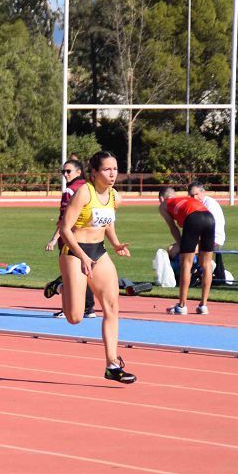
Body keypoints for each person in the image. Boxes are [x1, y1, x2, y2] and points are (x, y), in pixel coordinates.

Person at [58, 150, 135, 384]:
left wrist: (116, 243)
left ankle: (112, 365)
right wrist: (81, 257)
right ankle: (62, 287)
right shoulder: (84, 193)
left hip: (98, 252)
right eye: (107, 169)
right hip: (74, 252)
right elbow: (64, 229)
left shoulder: (112, 195)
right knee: (75, 317)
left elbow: (107, 221)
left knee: (112, 307)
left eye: (115, 169)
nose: (112, 174)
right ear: (94, 172)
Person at [45, 159, 96, 319]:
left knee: (69, 275)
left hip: (71, 240)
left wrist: (54, 239)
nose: (65, 175)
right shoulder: (90, 189)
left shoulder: (70, 191)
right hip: (90, 239)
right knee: (86, 273)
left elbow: (64, 220)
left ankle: (68, 308)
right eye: (63, 172)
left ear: (79, 172)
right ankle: (88, 308)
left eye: (68, 171)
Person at [158, 186, 216, 315]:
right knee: (207, 264)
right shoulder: (185, 199)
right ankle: (203, 306)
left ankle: (182, 306)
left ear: (162, 198)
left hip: (193, 219)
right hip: (210, 218)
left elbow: (173, 227)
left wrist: (181, 245)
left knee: (186, 263)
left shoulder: (164, 205)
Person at [188, 181, 227, 284]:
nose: (195, 197)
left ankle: (202, 271)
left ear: (203, 192)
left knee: (185, 250)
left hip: (214, 239)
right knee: (174, 249)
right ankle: (193, 273)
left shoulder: (210, 205)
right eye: (192, 195)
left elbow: (207, 228)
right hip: (201, 238)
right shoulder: (193, 204)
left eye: (197, 194)